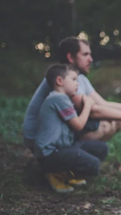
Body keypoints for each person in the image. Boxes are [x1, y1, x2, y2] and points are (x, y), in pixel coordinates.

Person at [23, 36, 121, 151]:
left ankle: (81, 159)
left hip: (58, 131)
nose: (91, 59)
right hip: (39, 138)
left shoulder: (79, 78)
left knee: (115, 122)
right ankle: (68, 164)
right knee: (104, 125)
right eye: (85, 55)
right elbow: (94, 111)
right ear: (70, 57)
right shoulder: (64, 80)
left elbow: (103, 103)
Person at [34, 64, 108, 193]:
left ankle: (66, 172)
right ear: (59, 81)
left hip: (63, 149)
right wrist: (88, 105)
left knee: (101, 148)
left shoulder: (61, 98)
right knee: (93, 164)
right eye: (73, 79)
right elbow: (79, 124)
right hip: (50, 154)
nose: (77, 84)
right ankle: (55, 174)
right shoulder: (58, 98)